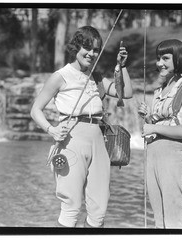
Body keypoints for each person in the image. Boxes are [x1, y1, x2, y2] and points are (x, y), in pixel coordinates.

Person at [30, 26, 133, 228]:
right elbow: (35, 110)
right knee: (71, 206)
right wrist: (51, 130)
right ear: (76, 47)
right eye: (87, 48)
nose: (92, 54)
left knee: (99, 210)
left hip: (98, 141)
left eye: (96, 50)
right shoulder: (60, 76)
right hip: (71, 142)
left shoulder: (97, 78)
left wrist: (122, 66)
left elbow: (126, 93)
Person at [138, 39, 182, 229]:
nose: (159, 63)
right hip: (153, 159)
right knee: (159, 223)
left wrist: (154, 128)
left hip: (176, 161)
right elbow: (157, 128)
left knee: (174, 223)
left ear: (179, 59)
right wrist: (149, 118)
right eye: (158, 58)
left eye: (165, 58)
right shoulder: (159, 91)